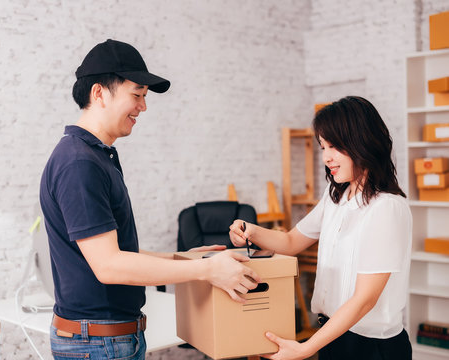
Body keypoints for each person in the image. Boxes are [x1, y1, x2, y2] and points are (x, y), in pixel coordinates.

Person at [40, 39, 261, 360]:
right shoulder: (80, 163)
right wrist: (207, 271)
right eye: (137, 95)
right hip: (98, 343)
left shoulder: (95, 156)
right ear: (99, 93)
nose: (143, 107)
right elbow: (109, 266)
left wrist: (181, 258)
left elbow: (113, 251)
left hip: (106, 338)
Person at [229, 96, 412, 360]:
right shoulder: (336, 196)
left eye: (335, 146)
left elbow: (365, 300)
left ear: (362, 142)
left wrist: (306, 348)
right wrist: (250, 231)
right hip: (333, 336)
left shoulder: (386, 208)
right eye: (322, 146)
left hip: (370, 347)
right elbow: (292, 241)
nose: (326, 157)